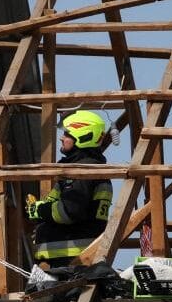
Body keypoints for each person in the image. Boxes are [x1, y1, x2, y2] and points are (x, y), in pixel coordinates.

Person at [26, 110, 114, 267]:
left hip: (73, 261)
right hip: (65, 262)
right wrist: (40, 210)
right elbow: (60, 204)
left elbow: (68, 211)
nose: (61, 138)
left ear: (82, 136)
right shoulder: (85, 168)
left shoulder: (83, 171)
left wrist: (41, 210)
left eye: (67, 134)